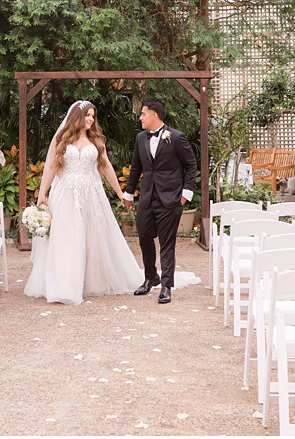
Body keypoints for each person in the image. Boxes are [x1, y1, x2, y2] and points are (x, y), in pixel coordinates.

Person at [24, 100, 142, 305]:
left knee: (91, 237)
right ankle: (64, 285)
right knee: (66, 239)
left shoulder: (96, 141)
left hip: (91, 194)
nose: (90, 119)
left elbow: (106, 168)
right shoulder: (61, 139)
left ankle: (92, 282)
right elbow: (51, 167)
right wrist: (42, 193)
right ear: (76, 117)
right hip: (65, 195)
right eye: (87, 115)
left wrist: (121, 193)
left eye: (92, 116)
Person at [122, 97, 197, 304]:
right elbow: (136, 167)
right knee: (144, 236)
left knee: (167, 243)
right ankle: (150, 277)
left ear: (154, 115)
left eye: (143, 113)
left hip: (171, 198)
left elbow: (191, 165)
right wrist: (129, 194)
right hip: (147, 197)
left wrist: (185, 194)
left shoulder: (176, 137)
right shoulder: (140, 138)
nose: (140, 117)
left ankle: (166, 286)